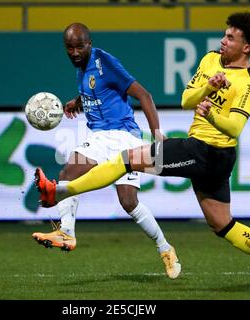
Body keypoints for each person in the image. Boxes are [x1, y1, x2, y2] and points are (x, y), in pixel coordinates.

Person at [35, 13, 250, 295]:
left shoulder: (249, 83)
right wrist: (209, 87)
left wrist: (212, 115)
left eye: (231, 38)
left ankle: (60, 190)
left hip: (207, 151)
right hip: (208, 155)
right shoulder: (210, 60)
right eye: (224, 34)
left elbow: (234, 128)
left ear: (246, 47)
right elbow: (186, 100)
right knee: (223, 225)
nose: (223, 40)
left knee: (126, 160)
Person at [32, 23, 181, 280]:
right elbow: (97, 90)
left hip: (124, 136)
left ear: (89, 44)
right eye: (70, 47)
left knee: (126, 201)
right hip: (101, 137)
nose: (75, 52)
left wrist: (157, 136)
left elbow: (144, 95)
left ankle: (164, 248)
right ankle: (67, 231)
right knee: (76, 177)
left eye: (80, 46)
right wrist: (77, 101)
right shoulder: (81, 69)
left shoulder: (105, 63)